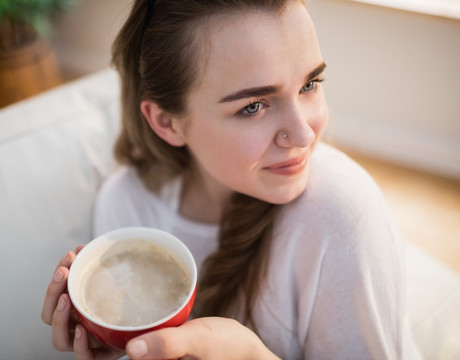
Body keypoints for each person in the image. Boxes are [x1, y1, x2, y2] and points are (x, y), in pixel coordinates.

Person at [41, 0, 423, 358]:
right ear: (166, 122)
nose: (304, 135)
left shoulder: (342, 216)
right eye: (254, 106)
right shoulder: (127, 203)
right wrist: (122, 345)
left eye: (309, 84)